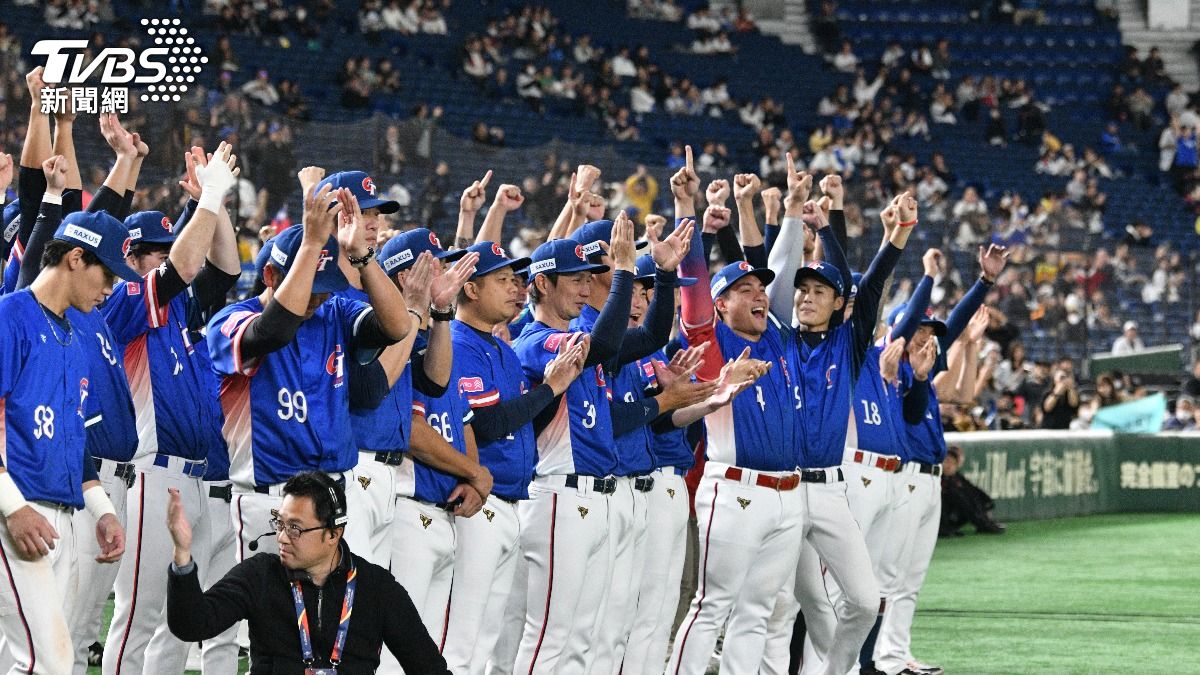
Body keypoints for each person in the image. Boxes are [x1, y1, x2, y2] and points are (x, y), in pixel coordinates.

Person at [206, 170, 413, 563]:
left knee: (342, 618)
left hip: (335, 495)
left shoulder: (333, 311)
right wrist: (313, 242)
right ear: (271, 276)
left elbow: (397, 325)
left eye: (326, 284)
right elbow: (273, 331)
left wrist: (363, 259)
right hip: (268, 500)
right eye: (313, 283)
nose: (319, 295)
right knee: (260, 624)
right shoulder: (231, 320)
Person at [102, 142, 242, 675]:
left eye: (169, 245)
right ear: (131, 258)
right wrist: (209, 194)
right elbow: (185, 263)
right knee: (137, 617)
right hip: (148, 475)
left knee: (180, 620)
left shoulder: (180, 308)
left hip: (196, 478)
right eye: (155, 250)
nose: (169, 254)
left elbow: (224, 267)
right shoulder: (124, 300)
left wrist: (219, 205)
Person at [0, 209, 134, 675]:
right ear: (77, 257)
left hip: (56, 515)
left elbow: (74, 438)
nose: (110, 289)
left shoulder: (76, 337)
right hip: (14, 511)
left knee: (24, 659)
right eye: (108, 273)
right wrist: (12, 508)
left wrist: (104, 512)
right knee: (51, 660)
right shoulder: (9, 317)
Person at [509, 213, 637, 674]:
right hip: (559, 493)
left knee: (582, 639)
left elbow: (625, 339)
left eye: (589, 279)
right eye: (575, 279)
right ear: (542, 284)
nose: (585, 289)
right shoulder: (535, 341)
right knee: (549, 636)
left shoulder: (577, 337)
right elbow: (601, 346)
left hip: (593, 495)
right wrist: (622, 270)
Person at [165, 472, 451, 673]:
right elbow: (192, 624)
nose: (282, 537)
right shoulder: (260, 574)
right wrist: (182, 555)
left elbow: (428, 666)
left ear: (333, 533)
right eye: (281, 524)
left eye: (296, 528)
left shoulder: (376, 587)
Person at [939, 446, 1005, 536]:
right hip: (940, 517)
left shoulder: (957, 478)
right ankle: (944, 528)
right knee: (956, 495)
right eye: (946, 461)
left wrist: (987, 504)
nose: (949, 466)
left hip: (953, 516)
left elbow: (974, 492)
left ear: (957, 466)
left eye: (953, 463)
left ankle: (984, 522)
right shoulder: (938, 478)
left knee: (967, 495)